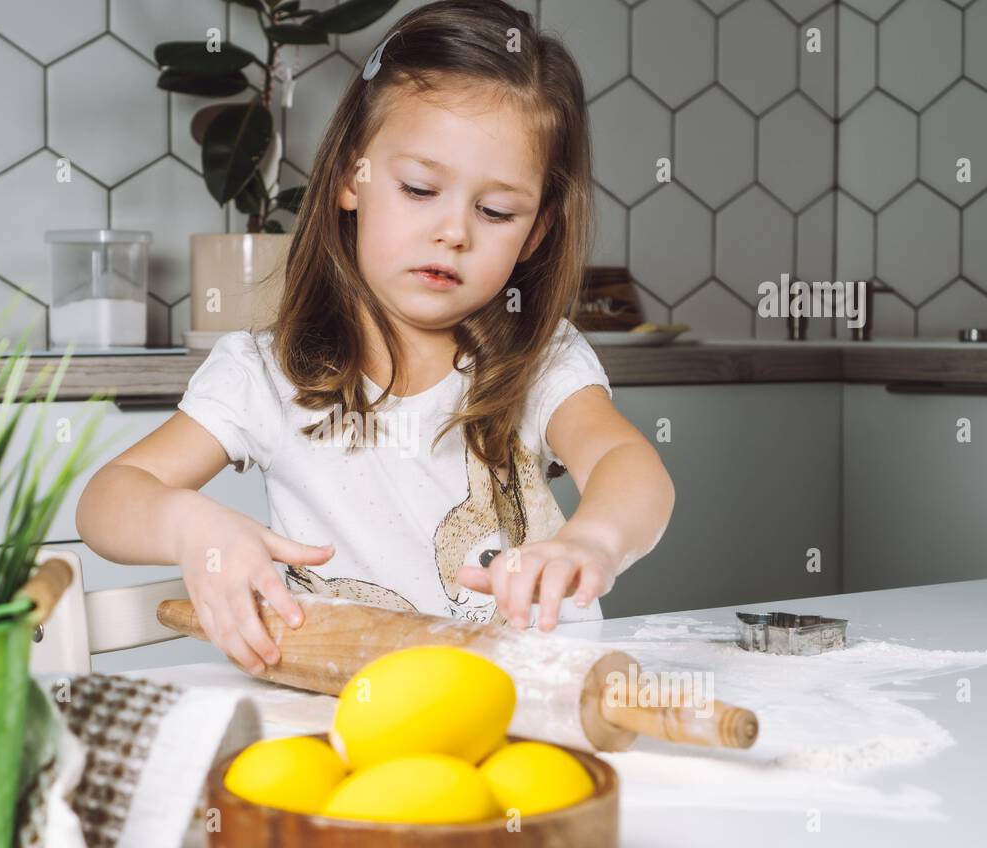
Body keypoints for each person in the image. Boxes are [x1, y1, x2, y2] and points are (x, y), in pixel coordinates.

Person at [76, 0, 674, 676]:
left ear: (535, 232)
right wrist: (191, 527)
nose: (454, 231)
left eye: (496, 210)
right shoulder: (265, 376)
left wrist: (592, 542)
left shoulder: (539, 361)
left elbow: (631, 468)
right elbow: (109, 500)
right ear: (348, 181)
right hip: (349, 711)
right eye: (420, 189)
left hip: (528, 698)